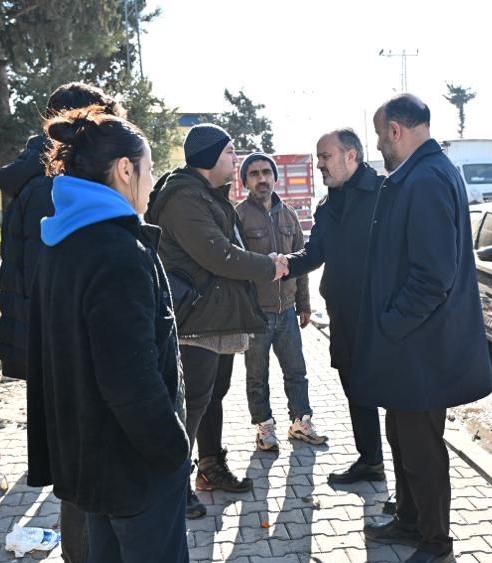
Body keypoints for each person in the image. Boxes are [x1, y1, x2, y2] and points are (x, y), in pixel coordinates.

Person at [26, 106, 190, 563]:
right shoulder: (118, 251)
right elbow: (130, 379)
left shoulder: (62, 241)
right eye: (148, 171)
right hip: (138, 463)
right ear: (124, 170)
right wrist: (173, 453)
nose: (150, 184)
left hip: (90, 459)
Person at [0, 81, 124, 563]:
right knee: (81, 468)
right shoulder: (59, 187)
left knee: (75, 462)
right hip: (67, 342)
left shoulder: (30, 181)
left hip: (44, 339)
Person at [355, 94, 492, 563]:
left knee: (422, 447)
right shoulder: (420, 173)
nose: (377, 145)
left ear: (396, 130)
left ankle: (436, 544)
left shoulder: (428, 177)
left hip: (420, 344)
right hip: (410, 344)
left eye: (378, 134)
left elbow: (432, 275)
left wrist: (391, 323)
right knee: (401, 435)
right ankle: (410, 520)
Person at [145, 124, 286, 516]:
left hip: (216, 315)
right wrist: (268, 268)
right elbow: (218, 253)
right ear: (209, 157)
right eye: (229, 153)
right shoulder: (184, 198)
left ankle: (209, 468)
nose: (236, 160)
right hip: (195, 319)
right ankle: (173, 487)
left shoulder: (208, 195)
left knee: (212, 397)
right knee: (190, 404)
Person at [285, 129, 387, 484]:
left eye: (325, 157)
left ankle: (409, 491)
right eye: (318, 158)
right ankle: (370, 461)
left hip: (382, 317)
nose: (318, 165)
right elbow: (316, 254)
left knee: (395, 396)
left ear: (351, 156)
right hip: (343, 316)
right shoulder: (327, 205)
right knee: (355, 389)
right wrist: (284, 264)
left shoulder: (384, 194)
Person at [235, 152, 327, 451]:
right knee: (257, 376)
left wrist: (304, 304)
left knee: (296, 372)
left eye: (266, 172)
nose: (262, 178)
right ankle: (264, 427)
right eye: (254, 174)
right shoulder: (238, 217)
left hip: (287, 311)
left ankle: (300, 422)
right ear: (246, 181)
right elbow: (233, 266)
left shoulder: (289, 215)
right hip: (255, 314)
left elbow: (301, 263)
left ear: (275, 177)